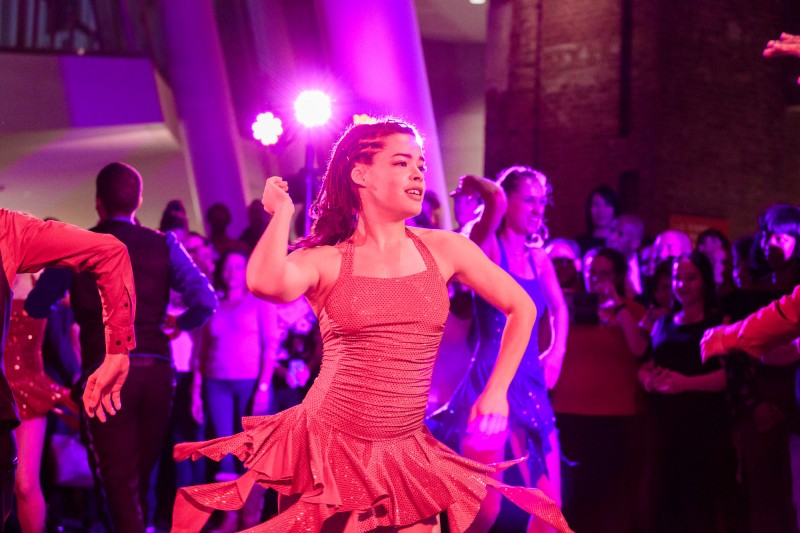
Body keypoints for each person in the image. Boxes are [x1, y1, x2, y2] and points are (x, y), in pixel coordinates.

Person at [171, 118, 571, 533]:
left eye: (420, 163)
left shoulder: (446, 249)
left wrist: (496, 392)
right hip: (328, 449)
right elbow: (264, 282)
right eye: (401, 162)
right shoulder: (327, 259)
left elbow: (522, 307)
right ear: (360, 174)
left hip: (406, 450)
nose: (418, 171)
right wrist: (281, 214)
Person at [26, 163, 217, 533]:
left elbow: (37, 304)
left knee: (118, 486)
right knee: (139, 480)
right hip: (157, 372)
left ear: (98, 202)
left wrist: (69, 302)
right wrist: (181, 323)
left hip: (105, 373)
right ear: (139, 200)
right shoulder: (164, 244)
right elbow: (205, 301)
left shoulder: (77, 245)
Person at [430, 167, 568, 533]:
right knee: (483, 509)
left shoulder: (540, 260)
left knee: (550, 509)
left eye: (543, 201)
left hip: (532, 382)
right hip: (490, 381)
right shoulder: (487, 246)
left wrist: (555, 351)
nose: (538, 209)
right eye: (529, 200)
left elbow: (559, 309)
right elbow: (495, 201)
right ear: (509, 202)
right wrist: (479, 186)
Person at [0, 208, 135, 531]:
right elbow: (109, 251)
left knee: (27, 485)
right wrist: (116, 350)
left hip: (23, 389)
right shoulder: (7, 231)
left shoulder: (8, 232)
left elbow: (109, 251)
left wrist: (117, 350)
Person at [638, 253, 743, 532]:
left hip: (706, 430)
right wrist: (650, 381)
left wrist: (684, 383)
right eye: (677, 278)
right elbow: (644, 366)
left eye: (690, 278)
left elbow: (727, 377)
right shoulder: (663, 322)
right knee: (668, 508)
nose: (682, 284)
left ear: (704, 281)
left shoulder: (719, 321)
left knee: (702, 509)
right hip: (666, 429)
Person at [551, 247, 647, 533]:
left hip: (616, 416)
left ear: (617, 276)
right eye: (591, 272)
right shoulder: (568, 306)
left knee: (612, 496)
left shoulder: (632, 310)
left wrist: (617, 306)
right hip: (569, 414)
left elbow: (639, 347)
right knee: (574, 496)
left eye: (603, 273)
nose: (595, 279)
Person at [193, 248, 278, 531]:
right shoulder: (213, 303)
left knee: (251, 451)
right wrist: (195, 389)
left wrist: (264, 387)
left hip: (250, 385)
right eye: (228, 267)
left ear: (246, 271)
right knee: (224, 449)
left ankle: (249, 517)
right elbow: (200, 351)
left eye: (238, 267)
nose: (231, 272)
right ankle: (229, 515)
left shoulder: (259, 301)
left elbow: (271, 346)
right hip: (216, 384)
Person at [575, 185, 620, 256]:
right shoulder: (578, 245)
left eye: (607, 205)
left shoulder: (621, 245)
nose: (601, 211)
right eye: (596, 205)